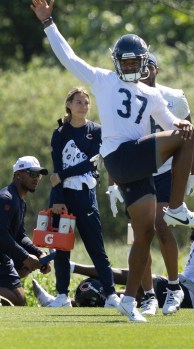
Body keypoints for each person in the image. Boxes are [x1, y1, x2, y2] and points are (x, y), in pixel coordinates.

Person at [31, 0, 194, 322]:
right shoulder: (102, 79)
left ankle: (130, 302)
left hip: (133, 167)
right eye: (124, 62)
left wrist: (182, 124)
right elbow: (68, 57)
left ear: (143, 62)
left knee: (144, 234)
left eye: (134, 62)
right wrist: (48, 22)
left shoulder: (152, 93)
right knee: (186, 137)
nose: (128, 66)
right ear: (117, 61)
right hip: (119, 155)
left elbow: (173, 126)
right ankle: (179, 208)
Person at [107, 53, 194, 316]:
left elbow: (189, 133)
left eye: (149, 65)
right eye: (141, 65)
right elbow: (114, 139)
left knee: (162, 226)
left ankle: (174, 287)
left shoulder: (173, 96)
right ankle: (148, 295)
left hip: (165, 170)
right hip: (137, 171)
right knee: (139, 235)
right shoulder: (120, 93)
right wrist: (112, 182)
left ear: (156, 69)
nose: (145, 69)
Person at [33, 208, 194, 310]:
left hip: (188, 295)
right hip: (184, 290)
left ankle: (72, 267)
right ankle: (60, 303)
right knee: (116, 296)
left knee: (138, 275)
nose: (191, 224)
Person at [46, 87, 120, 309]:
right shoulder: (59, 133)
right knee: (61, 248)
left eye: (86, 102)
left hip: (85, 195)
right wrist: (57, 197)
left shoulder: (96, 130)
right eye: (78, 102)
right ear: (68, 104)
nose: (83, 106)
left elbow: (91, 162)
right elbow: (56, 169)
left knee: (95, 246)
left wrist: (62, 175)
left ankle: (111, 295)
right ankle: (61, 295)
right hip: (62, 197)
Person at [0, 156, 52, 306]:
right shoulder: (6, 198)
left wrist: (38, 253)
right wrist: (25, 256)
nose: (36, 178)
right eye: (32, 174)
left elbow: (19, 235)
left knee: (25, 269)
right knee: (18, 300)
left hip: (3, 254)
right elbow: (1, 235)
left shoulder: (20, 201)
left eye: (39, 175)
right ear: (18, 175)